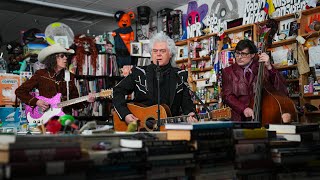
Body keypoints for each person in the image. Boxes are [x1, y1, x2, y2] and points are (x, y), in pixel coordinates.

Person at [113, 32, 197, 127]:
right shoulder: (139, 73)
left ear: (170, 54)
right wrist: (126, 115)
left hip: (169, 129)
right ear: (151, 53)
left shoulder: (180, 76)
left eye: (162, 51)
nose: (158, 54)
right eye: (155, 51)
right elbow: (117, 91)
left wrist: (190, 114)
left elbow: (187, 105)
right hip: (140, 129)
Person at [15, 44, 95, 117]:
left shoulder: (69, 76)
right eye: (62, 56)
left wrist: (87, 100)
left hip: (64, 119)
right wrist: (37, 102)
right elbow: (20, 91)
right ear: (53, 58)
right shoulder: (41, 74)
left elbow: (75, 103)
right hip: (45, 118)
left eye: (66, 56)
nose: (66, 58)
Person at [221, 39, 288, 122]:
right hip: (240, 119)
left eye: (244, 54)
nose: (239, 57)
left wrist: (269, 67)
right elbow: (227, 96)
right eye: (237, 53)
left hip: (264, 115)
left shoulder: (262, 66)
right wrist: (243, 109)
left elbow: (280, 89)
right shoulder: (228, 71)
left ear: (252, 55)